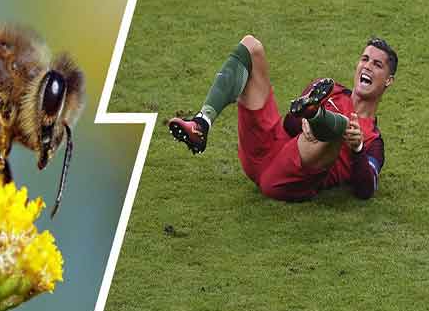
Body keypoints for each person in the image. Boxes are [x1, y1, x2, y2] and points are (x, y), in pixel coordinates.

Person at [169, 35, 397, 200]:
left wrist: (357, 148)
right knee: (251, 46)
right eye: (365, 59)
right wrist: (304, 121)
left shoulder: (373, 141)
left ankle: (319, 116)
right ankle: (202, 123)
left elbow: (365, 190)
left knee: (342, 126)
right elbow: (289, 122)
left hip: (286, 178)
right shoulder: (330, 88)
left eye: (377, 65)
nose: (367, 66)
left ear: (388, 80)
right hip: (265, 149)